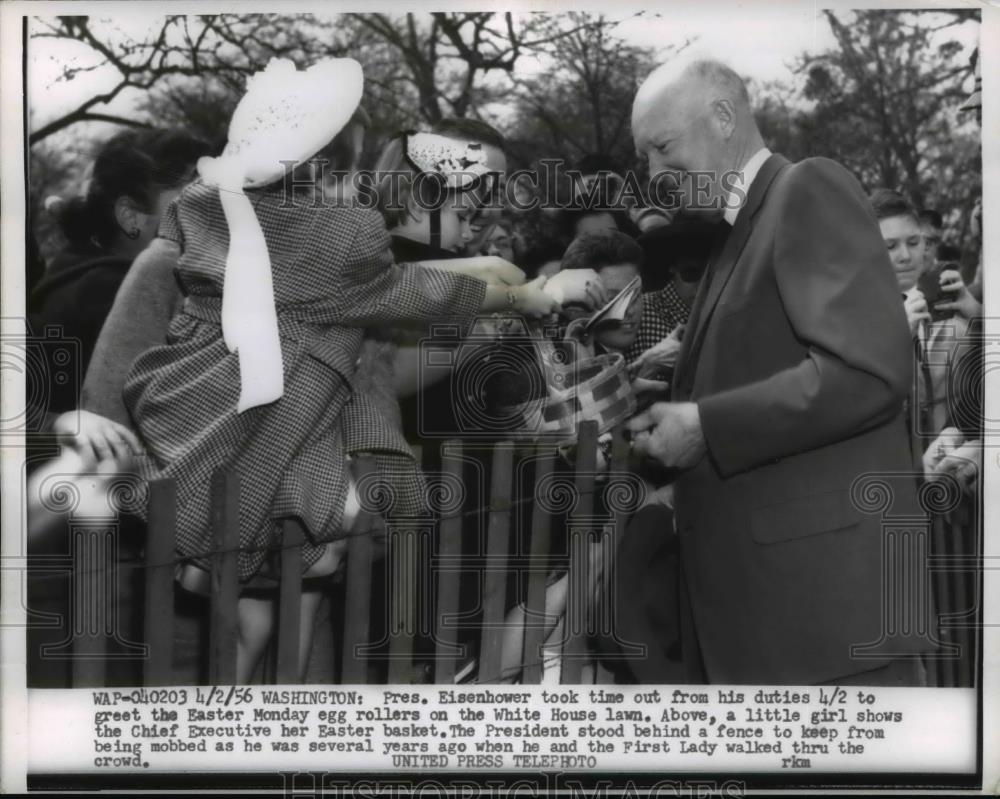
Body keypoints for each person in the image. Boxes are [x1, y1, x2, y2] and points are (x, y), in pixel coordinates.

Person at [120, 59, 556, 683]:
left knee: (262, 616)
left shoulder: (207, 211)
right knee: (273, 610)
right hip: (275, 449)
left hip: (224, 434)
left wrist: (487, 278)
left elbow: (383, 293)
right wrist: (512, 300)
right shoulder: (341, 239)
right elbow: (400, 298)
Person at [627, 57, 927, 686]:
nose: (654, 174)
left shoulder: (807, 187)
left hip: (825, 624)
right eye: (643, 157)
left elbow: (869, 372)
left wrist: (707, 423)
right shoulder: (731, 233)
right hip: (774, 622)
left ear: (723, 117)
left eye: (662, 146)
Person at [28, 129, 213, 419]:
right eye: (191, 201)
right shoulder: (113, 294)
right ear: (132, 218)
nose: (212, 215)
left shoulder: (76, 262)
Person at [870, 188, 981, 442]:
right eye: (890, 246)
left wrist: (978, 315)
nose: (906, 256)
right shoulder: (853, 319)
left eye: (913, 242)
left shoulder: (953, 311)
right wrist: (896, 340)